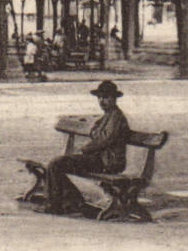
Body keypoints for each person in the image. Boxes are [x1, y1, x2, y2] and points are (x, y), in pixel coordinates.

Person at [43, 80, 131, 215]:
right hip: (100, 159)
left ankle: (61, 204)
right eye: (100, 97)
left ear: (114, 99)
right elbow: (96, 133)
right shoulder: (107, 116)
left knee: (56, 164)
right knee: (57, 164)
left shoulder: (116, 117)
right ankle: (72, 202)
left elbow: (104, 139)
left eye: (106, 97)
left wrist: (85, 148)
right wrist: (95, 134)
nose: (102, 101)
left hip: (109, 162)